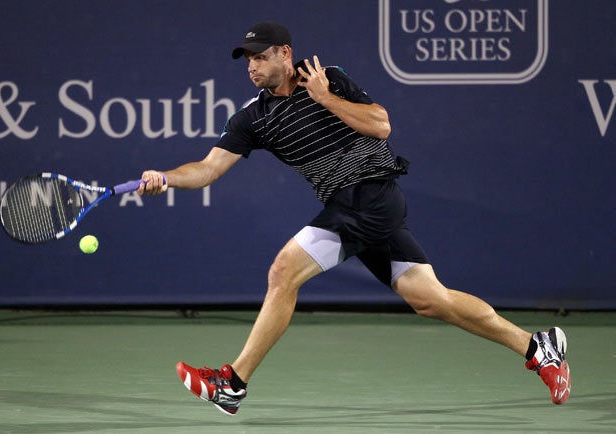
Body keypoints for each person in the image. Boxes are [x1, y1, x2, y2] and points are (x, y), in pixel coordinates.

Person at [138, 22, 571, 415]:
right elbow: (208, 168)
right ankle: (538, 348)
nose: (253, 66)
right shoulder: (253, 118)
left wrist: (326, 97)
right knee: (430, 299)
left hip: (370, 194)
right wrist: (166, 178)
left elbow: (381, 125)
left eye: (261, 56)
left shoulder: (326, 78)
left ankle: (232, 382)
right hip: (356, 206)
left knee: (283, 271)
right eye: (248, 59)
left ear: (285, 54)